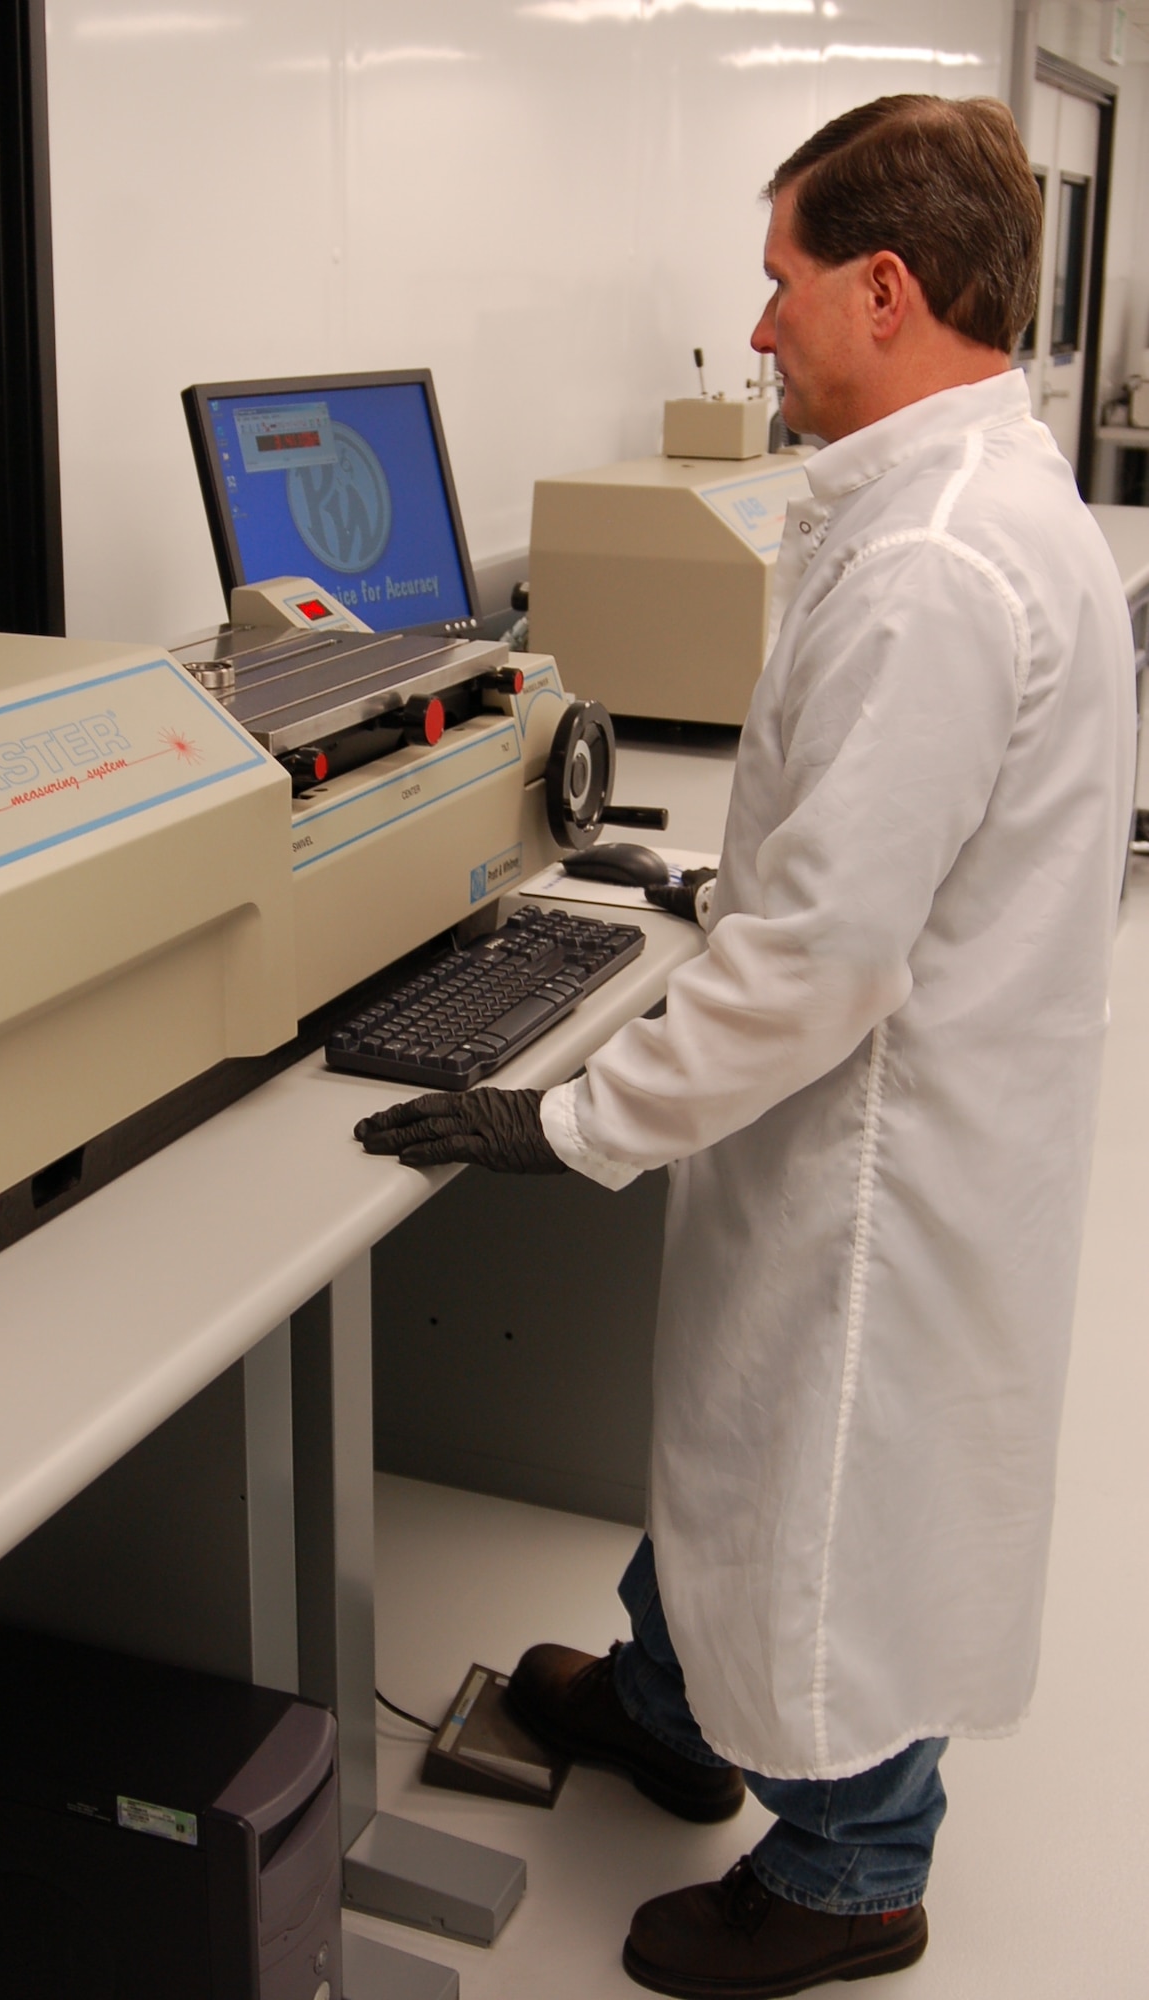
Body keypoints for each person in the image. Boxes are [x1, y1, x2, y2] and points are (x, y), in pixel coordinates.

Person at [358, 94, 1136, 1997]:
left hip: (883, 1142)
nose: (759, 323)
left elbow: (817, 967)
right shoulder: (943, 503)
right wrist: (724, 895)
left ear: (885, 286)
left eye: (782, 281)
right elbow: (862, 861)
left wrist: (571, 1119)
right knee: (742, 1427)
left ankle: (856, 1875)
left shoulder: (939, 561)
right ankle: (670, 1703)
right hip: (906, 1085)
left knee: (831, 1472)